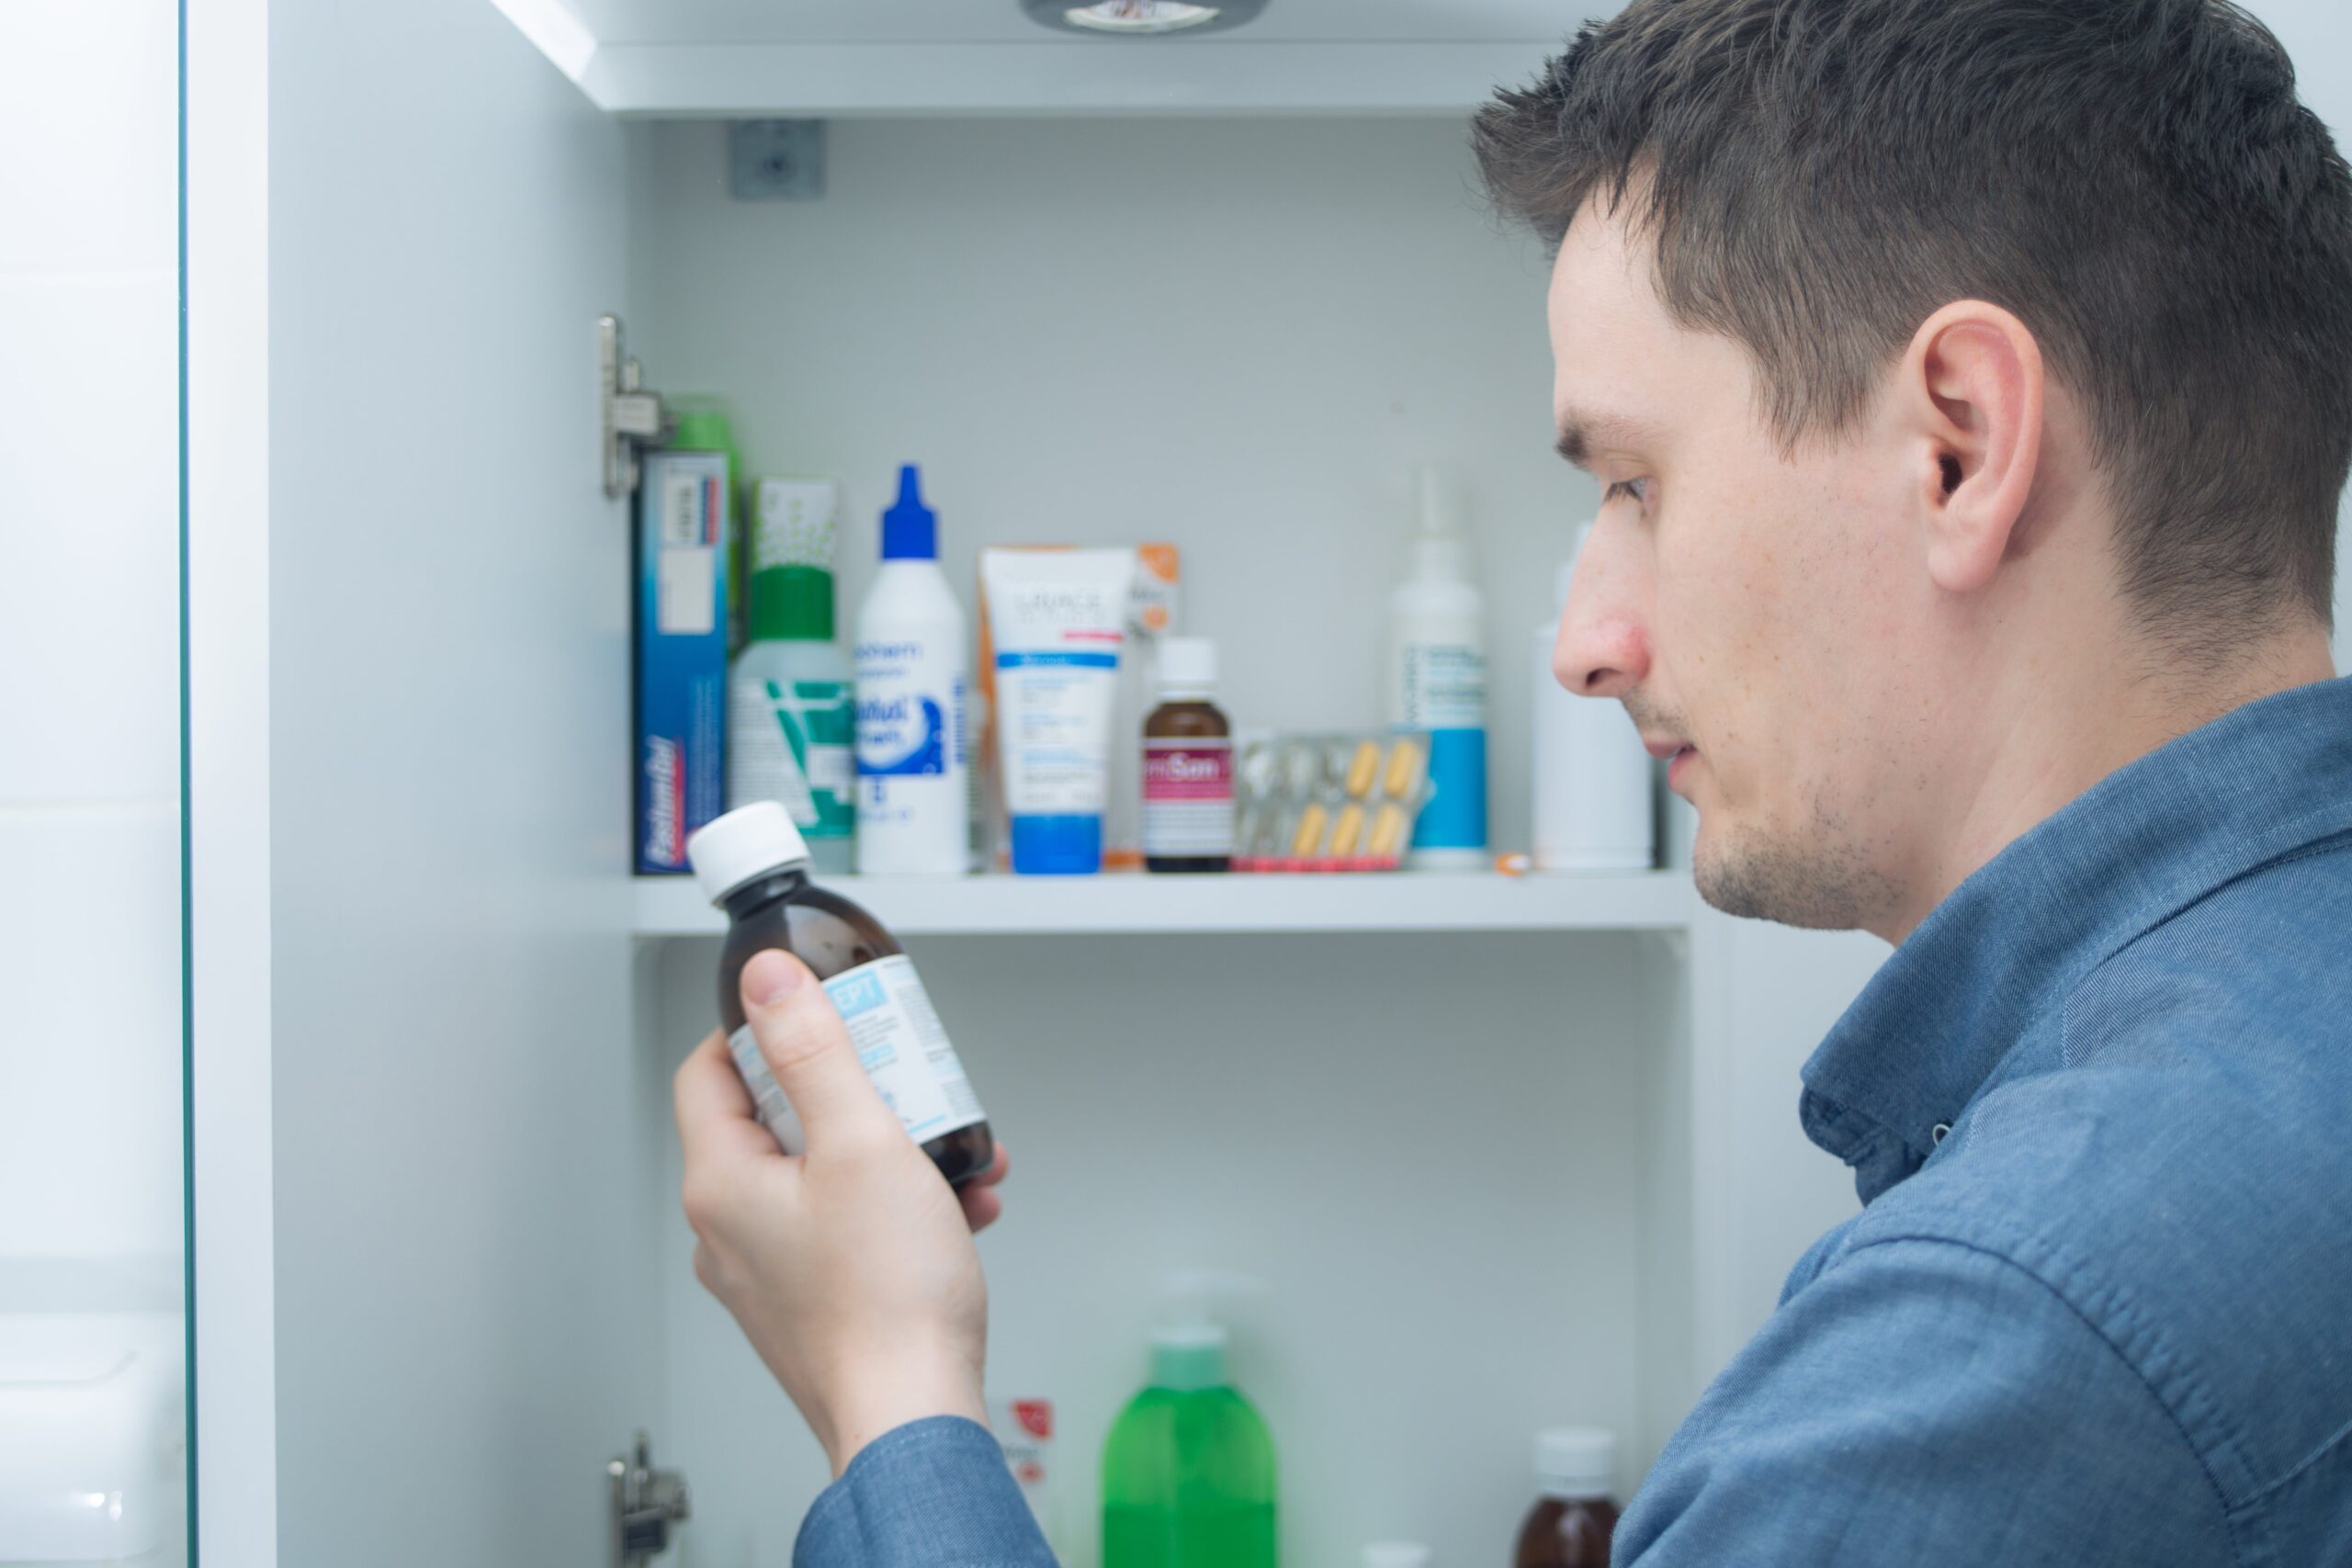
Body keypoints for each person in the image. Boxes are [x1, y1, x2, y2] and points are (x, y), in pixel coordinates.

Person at [672, 0, 2352, 1560]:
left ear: (1959, 446)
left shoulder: (2014, 1340)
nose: (1587, 644)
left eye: (1632, 482)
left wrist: (889, 1386)